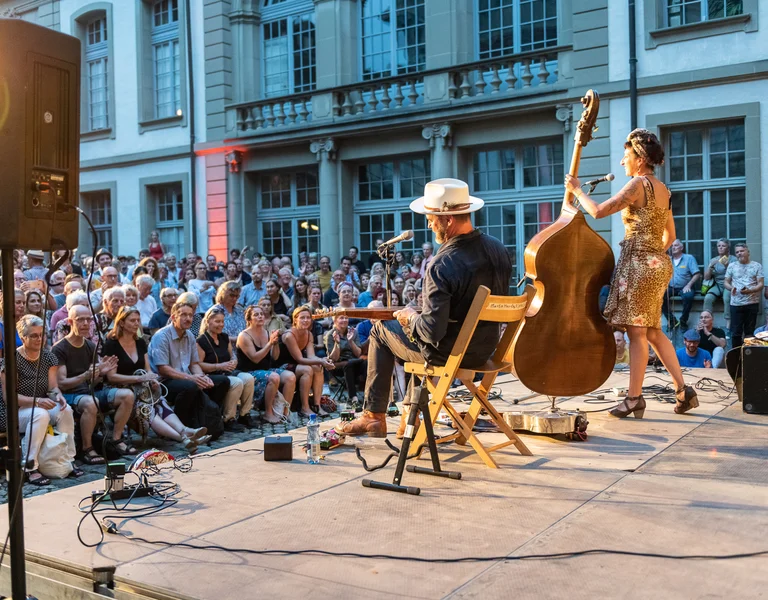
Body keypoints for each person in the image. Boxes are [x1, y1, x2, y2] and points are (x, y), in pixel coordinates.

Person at [338, 178, 511, 437]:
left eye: (431, 218)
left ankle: (374, 416)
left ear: (448, 219)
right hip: (484, 351)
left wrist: (409, 316)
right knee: (416, 335)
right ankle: (411, 414)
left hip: (452, 355)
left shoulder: (443, 263)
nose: (429, 224)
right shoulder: (498, 248)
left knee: (381, 331)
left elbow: (431, 333)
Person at [564, 128, 698, 417]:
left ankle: (634, 398)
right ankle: (683, 391)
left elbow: (599, 211)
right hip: (657, 263)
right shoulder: (664, 190)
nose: (623, 162)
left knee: (637, 332)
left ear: (640, 159)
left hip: (640, 264)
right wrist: (653, 258)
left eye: (626, 156)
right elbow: (671, 236)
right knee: (652, 331)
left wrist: (576, 190)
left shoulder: (639, 184)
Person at [103, 306, 211, 452]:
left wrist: (151, 379)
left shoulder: (140, 342)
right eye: (132, 320)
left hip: (141, 387)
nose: (136, 324)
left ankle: (184, 430)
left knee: (159, 401)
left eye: (138, 320)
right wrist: (138, 379)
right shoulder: (112, 344)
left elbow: (147, 368)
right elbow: (111, 377)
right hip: (120, 388)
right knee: (147, 408)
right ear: (121, 323)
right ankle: (182, 438)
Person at [0, 315, 79, 485]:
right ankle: (29, 466)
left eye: (42, 334)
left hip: (39, 406)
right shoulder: (12, 360)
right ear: (23, 338)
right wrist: (37, 401)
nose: (39, 339)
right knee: (41, 414)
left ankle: (67, 460)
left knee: (66, 410)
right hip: (14, 412)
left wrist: (58, 395)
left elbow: (52, 387)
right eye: (34, 335)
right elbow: (9, 398)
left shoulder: (48, 357)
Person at [53, 305, 137, 461]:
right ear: (70, 322)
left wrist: (101, 374)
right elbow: (62, 383)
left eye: (88, 319)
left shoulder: (90, 346)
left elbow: (93, 381)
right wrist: (86, 375)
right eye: (80, 320)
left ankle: (116, 438)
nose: (86, 323)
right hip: (69, 396)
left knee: (127, 395)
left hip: (88, 391)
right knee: (91, 403)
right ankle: (87, 448)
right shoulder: (60, 348)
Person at [148, 301, 228, 439]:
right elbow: (163, 369)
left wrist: (202, 377)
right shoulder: (162, 336)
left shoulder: (189, 335)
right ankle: (183, 426)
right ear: (173, 317)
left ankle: (207, 421)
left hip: (186, 377)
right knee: (190, 386)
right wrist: (192, 378)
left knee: (222, 381)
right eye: (183, 315)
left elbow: (194, 364)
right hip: (164, 382)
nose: (188, 318)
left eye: (190, 315)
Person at [197, 306, 257, 431]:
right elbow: (199, 364)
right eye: (217, 321)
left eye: (222, 321)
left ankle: (244, 414)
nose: (221, 325)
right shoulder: (201, 340)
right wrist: (219, 366)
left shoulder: (224, 337)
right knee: (237, 382)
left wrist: (234, 361)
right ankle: (228, 418)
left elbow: (232, 354)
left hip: (227, 371)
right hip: (211, 374)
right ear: (208, 322)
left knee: (248, 378)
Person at [236, 306, 295, 424]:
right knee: (273, 377)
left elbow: (275, 357)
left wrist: (276, 343)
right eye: (256, 315)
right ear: (249, 319)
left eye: (261, 314)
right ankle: (268, 413)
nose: (260, 317)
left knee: (290, 377)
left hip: (266, 369)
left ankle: (284, 412)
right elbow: (255, 358)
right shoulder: (244, 336)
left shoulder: (267, 332)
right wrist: (269, 344)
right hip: (249, 372)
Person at [281, 306, 334, 418]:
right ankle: (304, 407)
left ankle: (316, 405)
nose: (306, 320)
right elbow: (299, 358)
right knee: (308, 369)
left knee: (317, 367)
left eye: (308, 318)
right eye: (302, 318)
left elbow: (311, 356)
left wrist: (322, 360)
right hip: (283, 365)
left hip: (297, 364)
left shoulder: (309, 334)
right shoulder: (289, 335)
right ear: (295, 319)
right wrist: (320, 361)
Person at [724, 242, 764, 349]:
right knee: (736, 333)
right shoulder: (732, 266)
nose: (739, 254)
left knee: (749, 333)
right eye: (737, 252)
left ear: (748, 252)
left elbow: (760, 284)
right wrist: (731, 288)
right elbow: (726, 282)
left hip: (752, 303)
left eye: (742, 251)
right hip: (736, 304)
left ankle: (748, 357)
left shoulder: (757, 266)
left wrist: (750, 290)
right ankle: (736, 358)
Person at [325, 314, 366, 407]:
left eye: (346, 318)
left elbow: (358, 353)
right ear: (335, 320)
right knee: (349, 364)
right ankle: (353, 398)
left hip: (354, 362)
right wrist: (337, 343)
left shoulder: (353, 331)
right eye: (341, 318)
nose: (344, 320)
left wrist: (351, 341)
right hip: (337, 365)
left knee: (366, 363)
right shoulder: (330, 334)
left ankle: (369, 394)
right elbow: (333, 359)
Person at [662, 239, 700, 330]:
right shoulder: (667, 259)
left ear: (681, 247)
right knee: (659, 296)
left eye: (675, 245)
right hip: (671, 287)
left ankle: (683, 321)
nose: (673, 247)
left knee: (688, 296)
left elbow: (697, 274)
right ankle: (672, 321)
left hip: (686, 286)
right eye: (672, 246)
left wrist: (689, 285)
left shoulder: (689, 258)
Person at [703, 238, 736, 331]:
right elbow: (706, 277)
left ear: (728, 248)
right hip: (717, 285)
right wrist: (710, 267)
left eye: (723, 246)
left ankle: (728, 326)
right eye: (719, 246)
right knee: (708, 298)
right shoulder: (714, 260)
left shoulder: (733, 259)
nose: (721, 248)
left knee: (727, 298)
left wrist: (727, 265)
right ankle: (706, 323)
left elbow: (735, 275)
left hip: (729, 284)